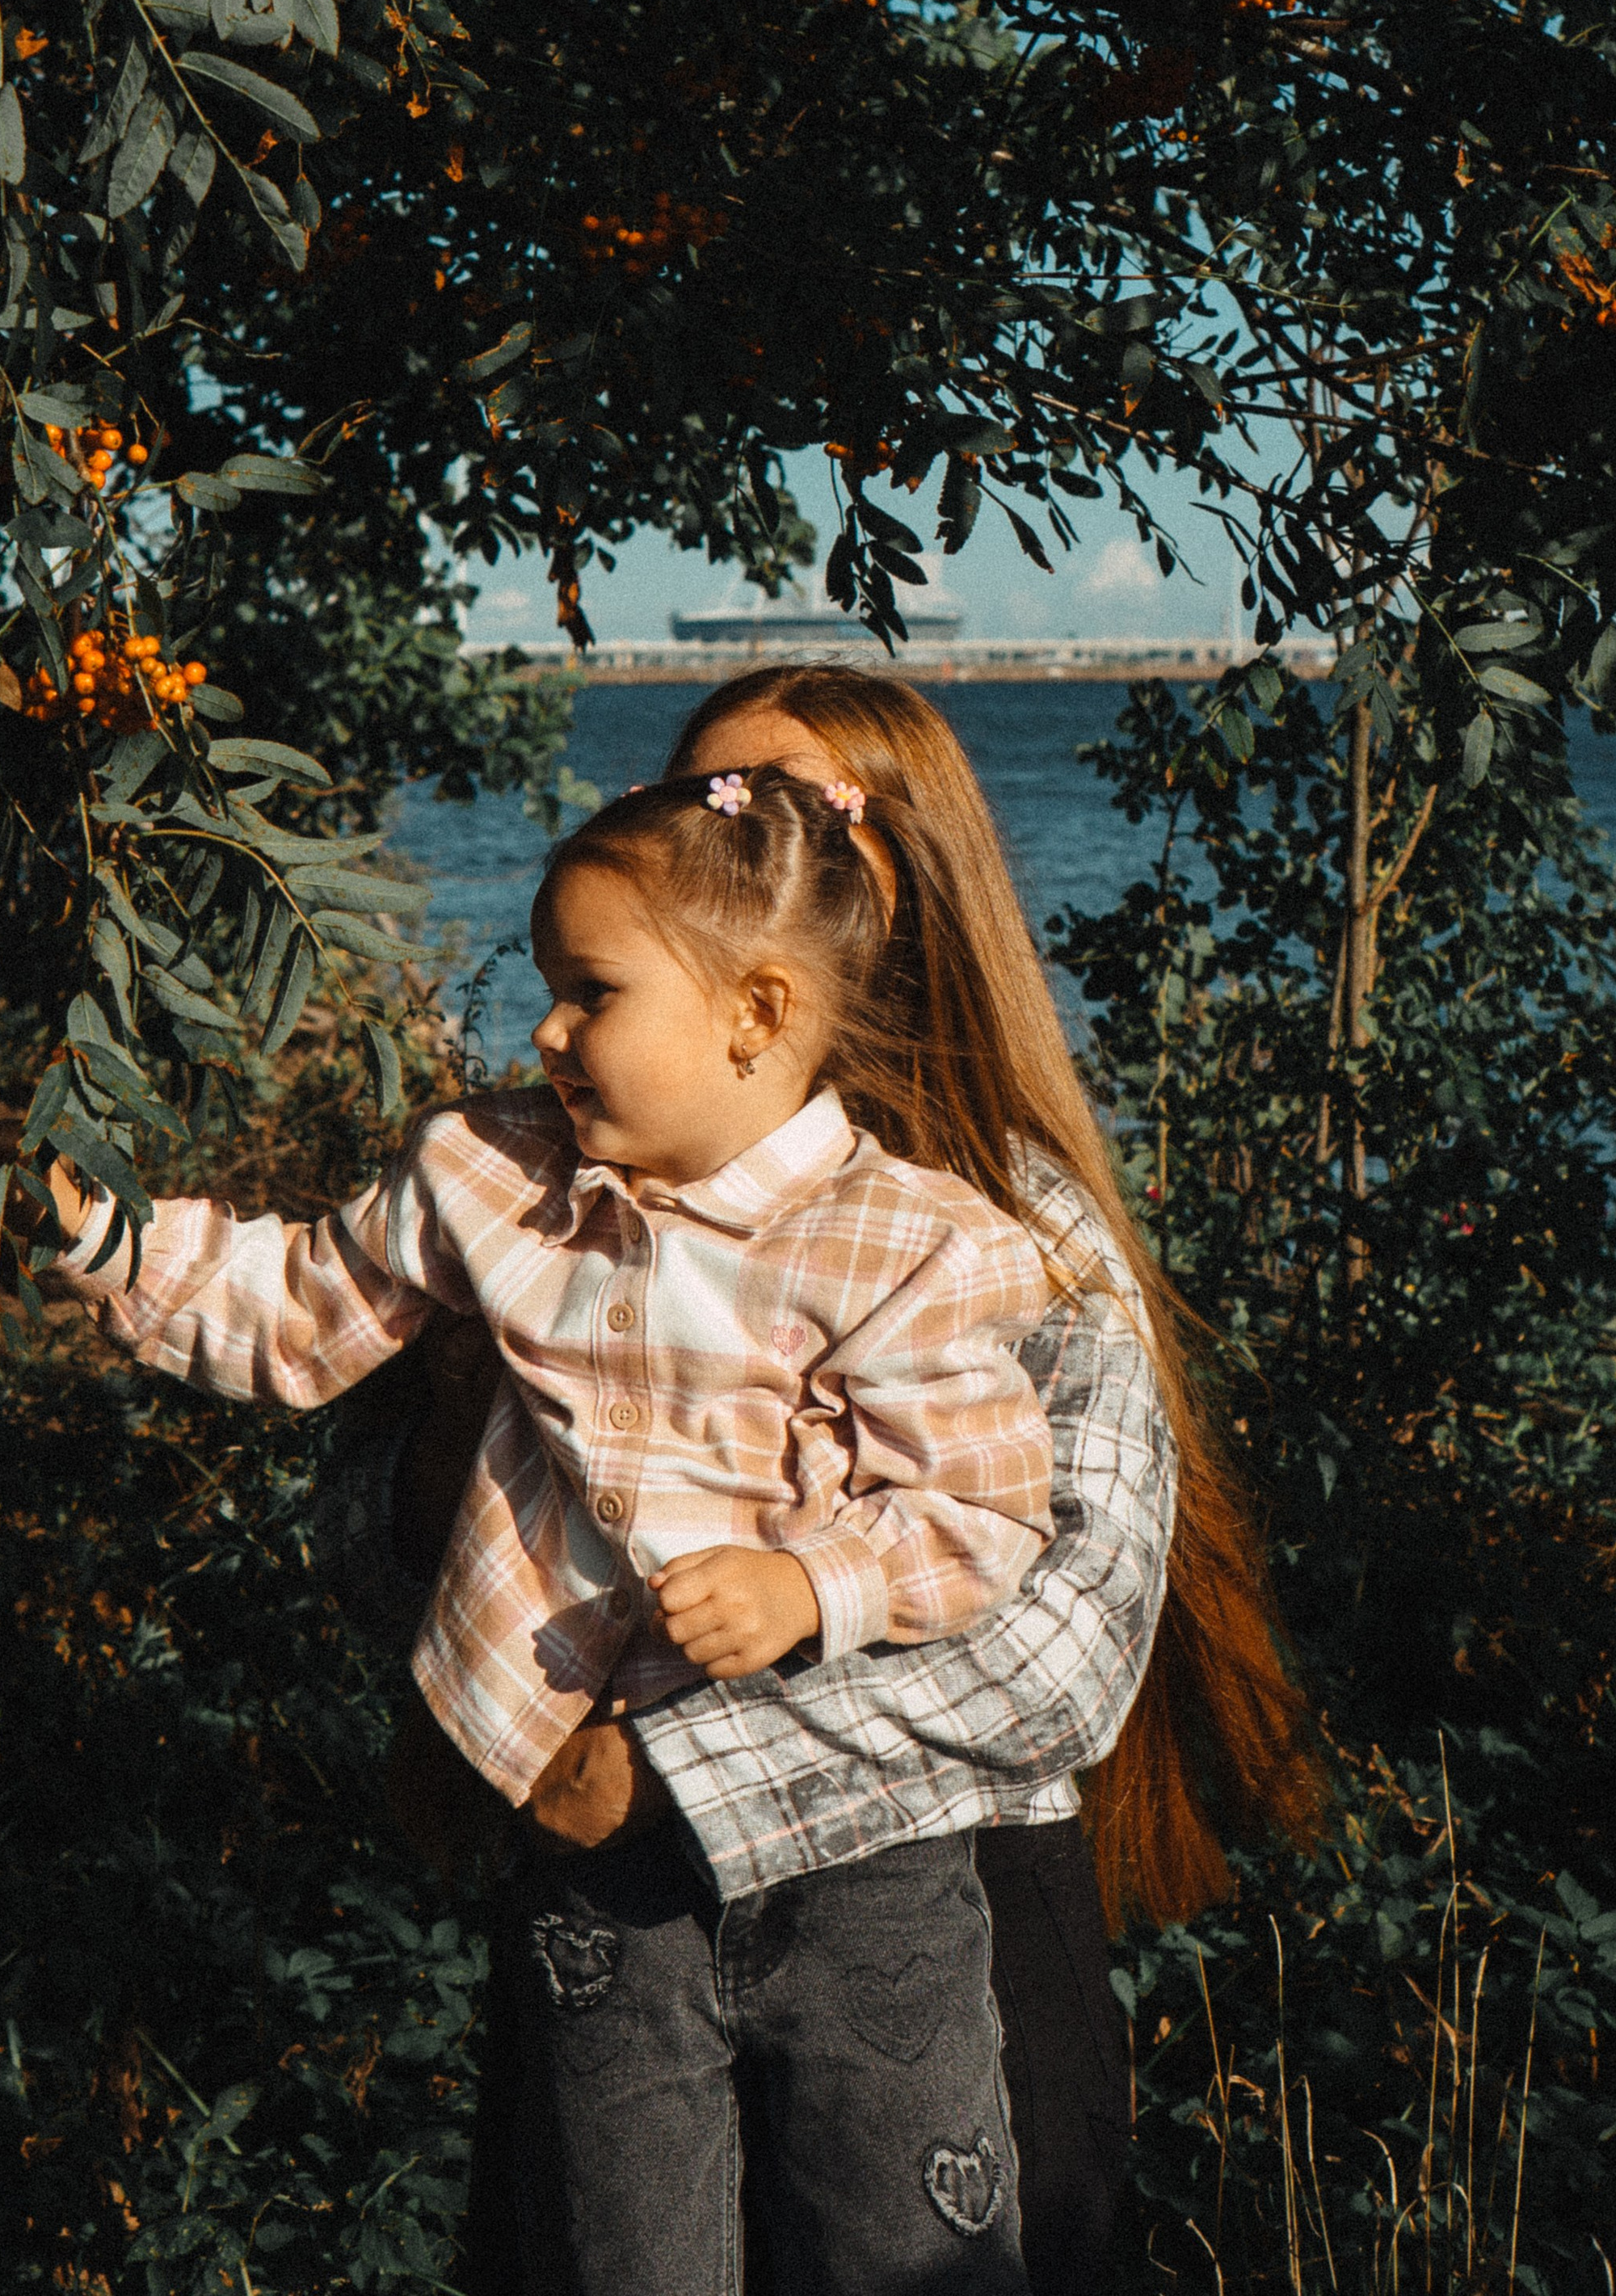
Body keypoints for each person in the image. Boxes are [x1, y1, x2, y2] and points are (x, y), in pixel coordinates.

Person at [0, 763, 1078, 2295]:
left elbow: (987, 1510)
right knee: (626, 2255)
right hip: (590, 1854)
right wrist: (93, 1229)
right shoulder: (492, 1176)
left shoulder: (906, 1245)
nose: (544, 1031)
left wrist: (818, 1583)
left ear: (756, 1013)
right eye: (548, 987)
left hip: (858, 1866)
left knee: (907, 2255)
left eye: (589, 992)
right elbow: (290, 1309)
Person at [358, 666, 1326, 2296]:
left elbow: (1063, 1655)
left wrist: (663, 1765)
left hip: (940, 1942)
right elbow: (386, 1519)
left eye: (806, 822)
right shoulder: (564, 1200)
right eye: (705, 825)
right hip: (612, 1937)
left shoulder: (1011, 1227)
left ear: (903, 885)